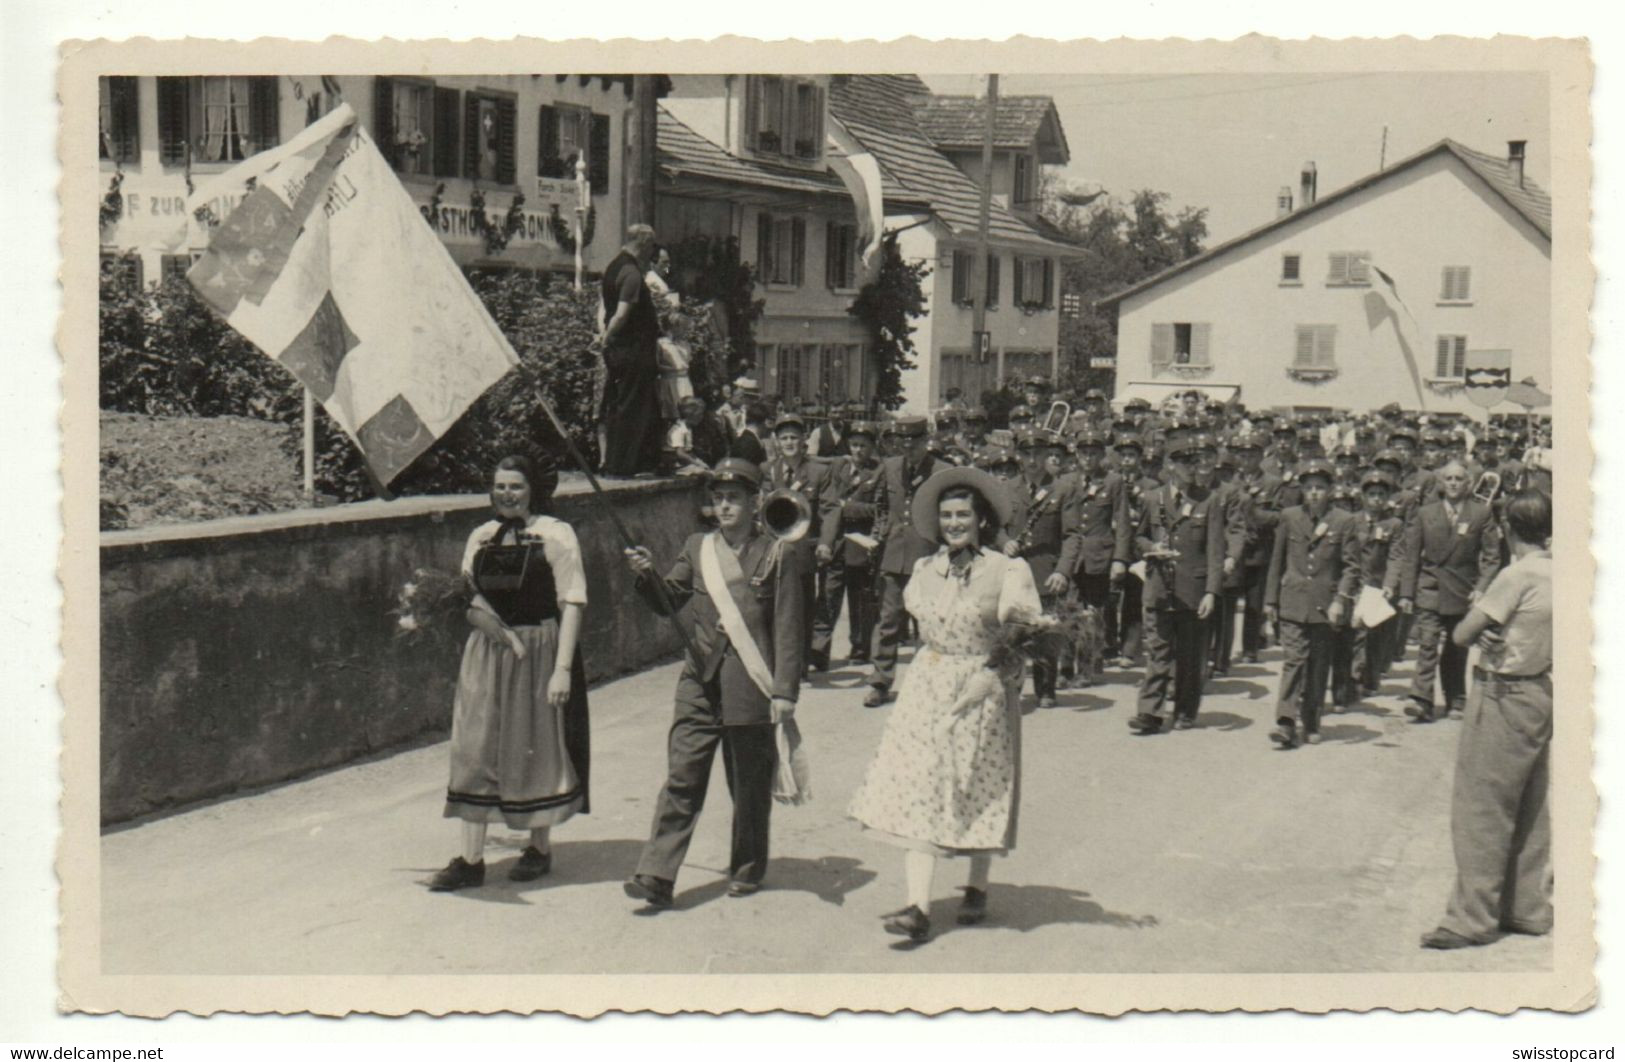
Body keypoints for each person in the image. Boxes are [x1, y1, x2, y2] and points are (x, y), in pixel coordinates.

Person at [847, 466, 1039, 942]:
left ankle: (976, 884)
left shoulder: (1008, 570)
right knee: (924, 786)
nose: (954, 523)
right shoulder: (924, 569)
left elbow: (1027, 632)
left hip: (982, 687)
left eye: (963, 515)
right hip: (928, 686)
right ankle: (917, 906)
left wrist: (994, 674)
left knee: (976, 784)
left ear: (982, 521)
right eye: (947, 516)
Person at [621, 459, 805, 907]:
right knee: (682, 775)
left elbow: (788, 627)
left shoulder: (778, 552)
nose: (724, 506)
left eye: (734, 498)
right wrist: (646, 574)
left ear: (753, 501)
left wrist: (784, 692)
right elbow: (669, 602)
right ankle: (657, 875)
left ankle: (747, 867)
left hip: (750, 681)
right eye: (718, 498)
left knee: (747, 784)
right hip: (698, 680)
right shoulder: (698, 547)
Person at [429, 455, 590, 891]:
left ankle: (538, 847)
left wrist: (562, 670)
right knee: (474, 746)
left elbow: (572, 602)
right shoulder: (480, 537)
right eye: (500, 486)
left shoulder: (557, 534)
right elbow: (468, 598)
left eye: (515, 486)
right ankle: (470, 858)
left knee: (534, 744)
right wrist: (497, 633)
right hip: (488, 650)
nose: (506, 494)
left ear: (533, 488)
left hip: (539, 650)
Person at [1421, 489, 1552, 949]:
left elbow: (1462, 633)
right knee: (1532, 807)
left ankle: (1471, 919)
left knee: (1482, 810)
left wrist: (1485, 613)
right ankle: (1527, 908)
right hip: (1541, 688)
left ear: (1508, 529)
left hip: (1501, 693)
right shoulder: (1562, 573)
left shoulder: (1516, 575)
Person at [1127, 436, 1228, 734]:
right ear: (1171, 465)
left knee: (1189, 656)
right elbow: (1139, 538)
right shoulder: (1152, 498)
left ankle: (1186, 709)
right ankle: (1150, 712)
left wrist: (1211, 591)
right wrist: (1151, 547)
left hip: (1192, 590)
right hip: (1159, 587)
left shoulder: (1208, 501)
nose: (1192, 468)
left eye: (1195, 462)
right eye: (1185, 462)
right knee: (1157, 652)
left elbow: (1215, 551)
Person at [1264, 459, 1361, 748]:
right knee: (1293, 661)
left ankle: (1312, 719)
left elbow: (1351, 567)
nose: (1314, 493)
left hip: (1325, 605)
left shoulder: (1344, 521)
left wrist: (1340, 600)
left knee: (1318, 666)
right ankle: (1285, 721)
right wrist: (1270, 600)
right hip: (1293, 601)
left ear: (1331, 490)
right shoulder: (1289, 517)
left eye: (1320, 488)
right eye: (1308, 488)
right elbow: (1277, 560)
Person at [1397, 460, 1503, 723]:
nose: (1454, 483)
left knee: (1457, 647)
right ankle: (1420, 699)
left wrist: (1481, 589)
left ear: (1468, 484)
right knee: (1427, 644)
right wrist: (1407, 593)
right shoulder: (1425, 513)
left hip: (1463, 590)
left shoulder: (1481, 513)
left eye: (1459, 479)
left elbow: (1492, 557)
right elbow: (1411, 556)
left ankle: (1456, 698)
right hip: (1430, 587)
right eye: (1449, 479)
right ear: (1441, 484)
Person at [864, 417, 952, 707]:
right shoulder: (889, 468)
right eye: (903, 443)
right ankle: (880, 682)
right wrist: (881, 529)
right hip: (893, 555)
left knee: (926, 624)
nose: (908, 448)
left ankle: (925, 683)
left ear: (926, 440)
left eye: (914, 442)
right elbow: (875, 502)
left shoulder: (942, 471)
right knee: (888, 621)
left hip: (928, 557)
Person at [762, 414, 840, 671]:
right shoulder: (768, 470)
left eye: (794, 437)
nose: (789, 442)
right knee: (774, 605)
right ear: (776, 441)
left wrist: (826, 543)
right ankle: (778, 661)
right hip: (772, 547)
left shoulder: (819, 471)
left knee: (803, 606)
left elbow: (829, 510)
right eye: (783, 437)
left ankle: (802, 661)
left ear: (804, 440)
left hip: (804, 548)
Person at [599, 224, 665, 476]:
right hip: (633, 349)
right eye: (650, 246)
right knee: (631, 406)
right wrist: (607, 338)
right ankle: (623, 465)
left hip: (622, 350)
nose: (652, 252)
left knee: (622, 404)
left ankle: (632, 462)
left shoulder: (613, 268)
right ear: (643, 244)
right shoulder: (631, 273)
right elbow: (621, 314)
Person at [820, 421, 885, 666]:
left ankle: (860, 648)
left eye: (863, 446)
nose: (858, 450)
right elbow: (829, 501)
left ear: (872, 447)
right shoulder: (839, 467)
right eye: (854, 445)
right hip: (836, 542)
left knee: (860, 601)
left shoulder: (878, 472)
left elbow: (878, 509)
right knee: (828, 595)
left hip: (861, 544)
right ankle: (820, 649)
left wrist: (848, 508)